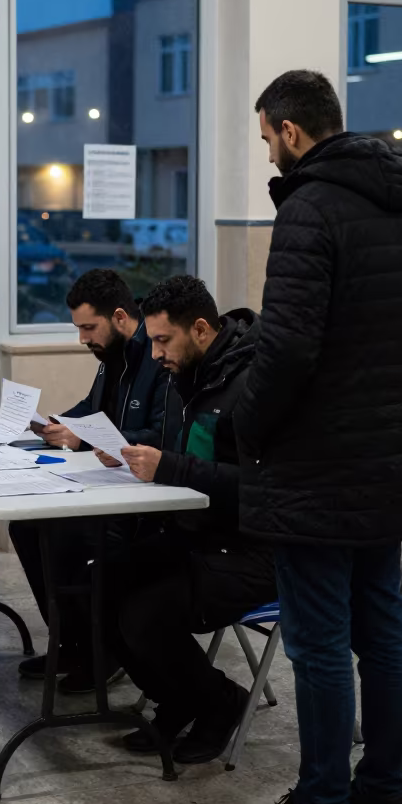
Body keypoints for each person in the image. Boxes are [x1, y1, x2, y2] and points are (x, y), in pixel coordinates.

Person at [231, 71, 402, 804]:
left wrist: (245, 424)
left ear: (290, 131)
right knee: (382, 630)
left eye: (265, 140)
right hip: (385, 455)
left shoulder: (310, 209)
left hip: (315, 465)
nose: (268, 157)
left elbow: (284, 349)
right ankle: (383, 793)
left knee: (318, 644)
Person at [96, 276, 275, 761]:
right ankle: (178, 701)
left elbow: (266, 485)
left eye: (161, 340)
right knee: (100, 582)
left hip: (253, 550)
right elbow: (179, 456)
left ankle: (219, 703)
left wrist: (168, 465)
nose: (154, 354)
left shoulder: (256, 382)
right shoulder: (183, 376)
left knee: (146, 611)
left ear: (199, 329)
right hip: (195, 535)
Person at [10, 268, 179, 694]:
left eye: (89, 327)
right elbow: (92, 407)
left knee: (71, 536)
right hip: (108, 482)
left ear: (120, 317)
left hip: (146, 496)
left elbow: (165, 434)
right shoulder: (111, 358)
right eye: (79, 329)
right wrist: (59, 424)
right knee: (28, 525)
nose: (83, 339)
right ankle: (73, 641)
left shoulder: (159, 357)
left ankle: (103, 650)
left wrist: (83, 437)